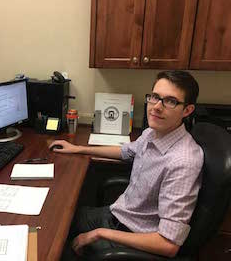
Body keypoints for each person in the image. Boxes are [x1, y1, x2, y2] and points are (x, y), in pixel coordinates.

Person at [50, 70, 203, 258]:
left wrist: (99, 233)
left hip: (133, 238)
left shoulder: (183, 161)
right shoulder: (152, 133)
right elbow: (125, 151)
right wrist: (78, 149)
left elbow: (168, 244)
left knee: (56, 249)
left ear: (187, 110)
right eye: (155, 97)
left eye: (170, 101)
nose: (156, 107)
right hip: (118, 214)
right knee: (57, 219)